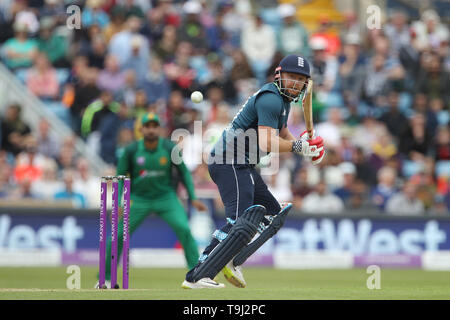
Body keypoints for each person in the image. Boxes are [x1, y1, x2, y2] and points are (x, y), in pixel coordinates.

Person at [181, 54, 325, 289]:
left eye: (300, 79)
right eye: (291, 77)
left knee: (271, 215)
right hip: (230, 160)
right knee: (238, 221)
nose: (295, 83)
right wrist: (300, 146)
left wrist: (305, 148)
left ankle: (233, 260)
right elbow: (269, 143)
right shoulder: (271, 98)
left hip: (242, 163)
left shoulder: (283, 102)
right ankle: (198, 275)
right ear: (279, 76)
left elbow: (284, 135)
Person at [95, 112, 207, 288]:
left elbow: (184, 172)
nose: (152, 130)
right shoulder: (131, 151)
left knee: (184, 229)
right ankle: (106, 278)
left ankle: (196, 276)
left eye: (155, 126)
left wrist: (192, 197)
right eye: (148, 126)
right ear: (141, 129)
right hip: (138, 198)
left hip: (166, 197)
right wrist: (118, 204)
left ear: (159, 129)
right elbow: (120, 178)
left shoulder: (170, 148)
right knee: (118, 235)